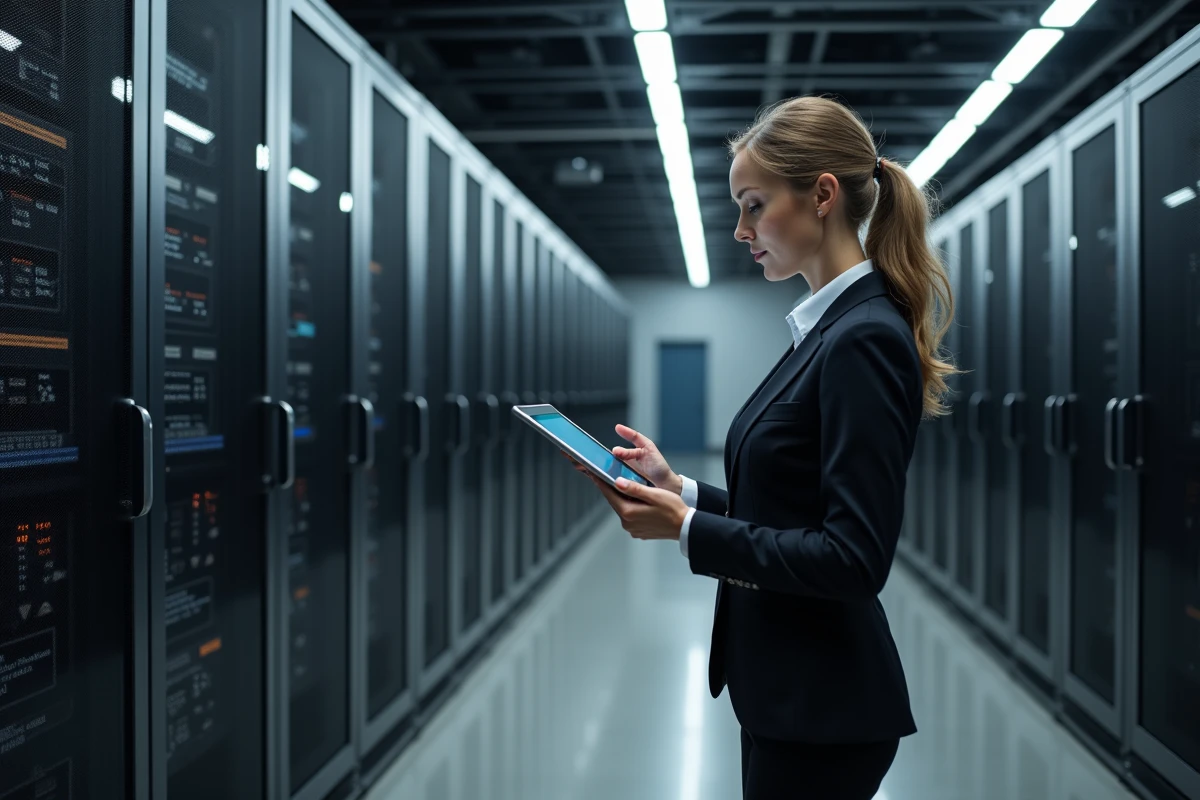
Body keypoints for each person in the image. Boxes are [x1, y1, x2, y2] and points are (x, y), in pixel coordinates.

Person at [574, 95, 957, 799]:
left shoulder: (861, 337)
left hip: (824, 707)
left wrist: (688, 533)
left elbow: (853, 558)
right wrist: (681, 491)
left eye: (754, 205)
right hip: (788, 693)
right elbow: (794, 506)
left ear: (821, 196)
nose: (740, 228)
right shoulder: (823, 330)